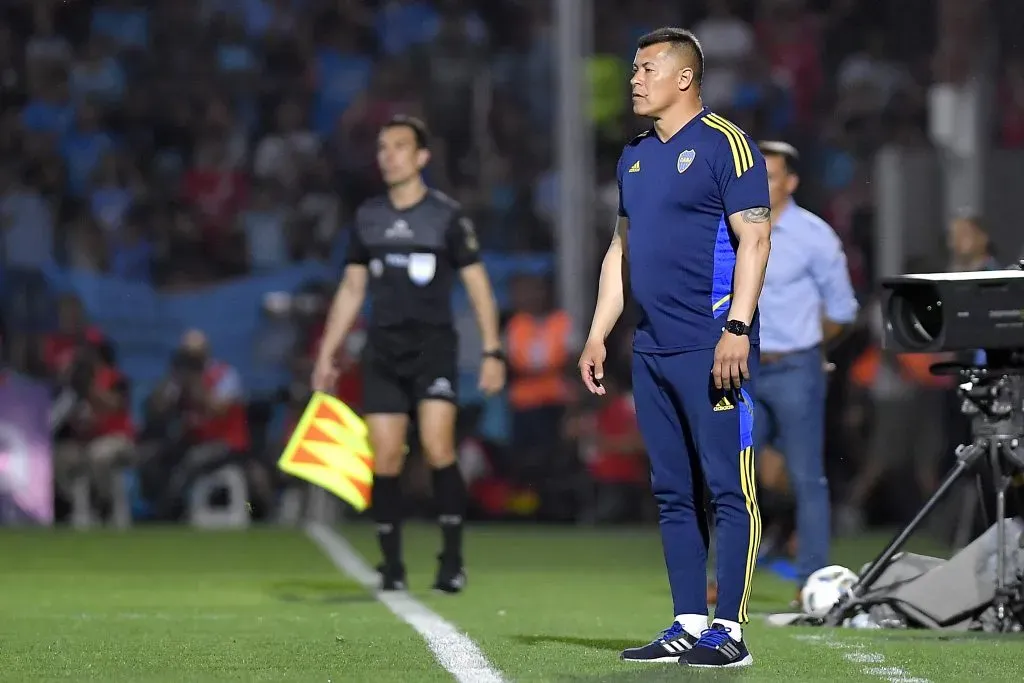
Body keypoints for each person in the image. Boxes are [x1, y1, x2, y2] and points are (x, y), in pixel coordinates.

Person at [579, 27, 771, 668]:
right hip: (655, 347)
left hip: (713, 345)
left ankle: (732, 632)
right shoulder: (633, 155)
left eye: (646, 68)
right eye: (634, 68)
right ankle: (688, 621)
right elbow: (621, 249)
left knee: (727, 488)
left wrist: (737, 329)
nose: (634, 79)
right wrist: (599, 330)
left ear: (684, 77)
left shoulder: (727, 145)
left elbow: (755, 241)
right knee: (671, 491)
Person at [312, 115, 505, 593]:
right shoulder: (368, 216)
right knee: (386, 459)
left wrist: (493, 350)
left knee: (439, 448)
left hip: (433, 347)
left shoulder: (447, 215)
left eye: (399, 146)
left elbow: (477, 284)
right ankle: (392, 565)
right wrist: (327, 352)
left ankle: (452, 560)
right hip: (383, 349)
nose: (388, 155)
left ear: (422, 157)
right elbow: (353, 286)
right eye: (382, 147)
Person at [729, 140, 858, 602]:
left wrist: (808, 345)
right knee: (732, 473)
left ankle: (814, 579)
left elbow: (843, 309)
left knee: (807, 475)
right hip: (743, 367)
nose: (758, 183)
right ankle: (730, 579)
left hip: (795, 366)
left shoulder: (814, 235)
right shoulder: (731, 226)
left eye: (768, 174)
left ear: (791, 182)